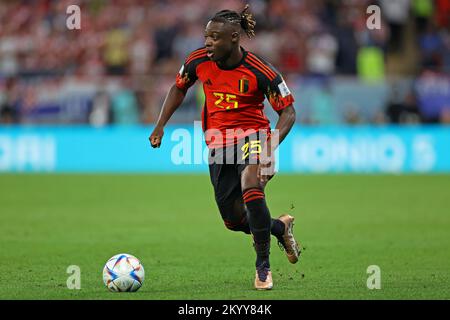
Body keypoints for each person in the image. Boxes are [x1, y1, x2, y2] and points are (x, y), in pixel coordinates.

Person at [149, 5, 300, 290]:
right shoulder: (198, 61)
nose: (208, 43)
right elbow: (179, 87)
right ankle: (279, 228)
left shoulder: (261, 70)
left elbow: (289, 113)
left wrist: (269, 147)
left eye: (215, 38)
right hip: (218, 144)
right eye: (207, 36)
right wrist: (160, 124)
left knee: (251, 185)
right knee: (233, 220)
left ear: (234, 38)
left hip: (253, 136)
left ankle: (263, 268)